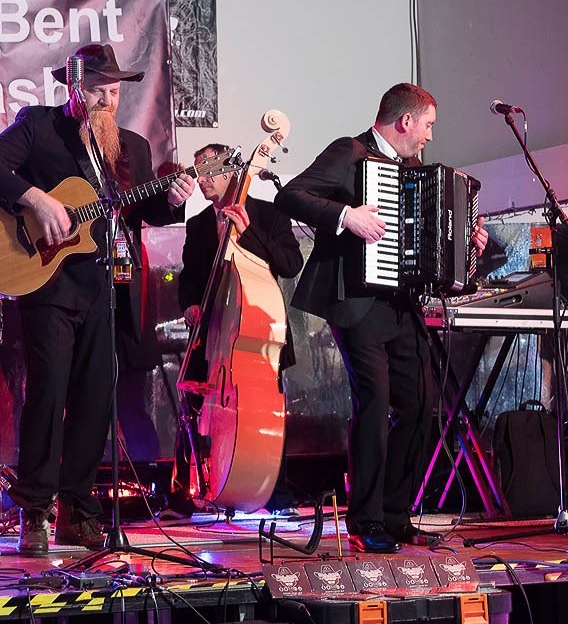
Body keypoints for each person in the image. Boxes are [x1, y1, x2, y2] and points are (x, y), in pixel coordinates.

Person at [0, 43, 194, 555]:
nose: (108, 101)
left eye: (114, 92)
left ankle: (78, 512)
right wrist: (35, 199)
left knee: (95, 400)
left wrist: (173, 198)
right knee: (48, 395)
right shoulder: (39, 126)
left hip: (108, 290)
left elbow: (144, 211)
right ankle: (34, 510)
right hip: (50, 284)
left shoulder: (132, 148)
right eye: (98, 91)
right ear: (74, 88)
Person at [273, 83, 487, 553]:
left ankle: (394, 514)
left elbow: (430, 244)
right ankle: (364, 519)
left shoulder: (414, 172)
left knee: (421, 403)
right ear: (405, 121)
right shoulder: (349, 152)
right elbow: (291, 195)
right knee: (374, 403)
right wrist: (345, 215)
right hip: (356, 302)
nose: (430, 135)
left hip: (400, 304)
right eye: (427, 125)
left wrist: (466, 244)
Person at [176, 143, 303, 515]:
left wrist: (248, 234)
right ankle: (201, 491)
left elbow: (290, 264)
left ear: (231, 171)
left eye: (208, 171)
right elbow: (188, 277)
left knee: (266, 416)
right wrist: (190, 304)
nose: (201, 180)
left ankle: (274, 493)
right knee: (200, 410)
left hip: (258, 333)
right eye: (198, 173)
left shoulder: (269, 214)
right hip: (215, 337)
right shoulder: (198, 223)